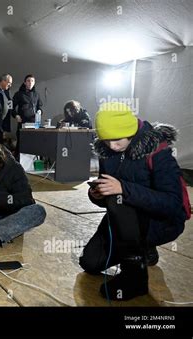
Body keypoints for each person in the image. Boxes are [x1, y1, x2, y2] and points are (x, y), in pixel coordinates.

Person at [79, 102, 187, 301]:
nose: (112, 146)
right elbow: (109, 194)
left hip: (159, 222)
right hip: (123, 220)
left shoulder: (158, 152)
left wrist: (124, 189)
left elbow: (173, 204)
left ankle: (135, 277)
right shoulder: (108, 151)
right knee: (90, 263)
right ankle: (142, 249)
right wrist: (98, 196)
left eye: (117, 139)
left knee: (120, 200)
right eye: (106, 140)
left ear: (130, 131)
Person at [12, 74, 43, 160]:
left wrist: (40, 111)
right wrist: (16, 115)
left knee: (34, 142)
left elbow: (39, 107)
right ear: (25, 82)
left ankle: (33, 162)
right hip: (23, 122)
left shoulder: (36, 94)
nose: (30, 83)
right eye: (28, 81)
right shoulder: (19, 94)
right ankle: (17, 163)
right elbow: (11, 107)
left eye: (32, 81)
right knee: (21, 142)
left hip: (35, 123)